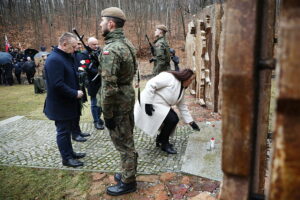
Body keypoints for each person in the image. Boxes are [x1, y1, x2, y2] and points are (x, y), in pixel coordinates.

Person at [98, 7, 138, 196]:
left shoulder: (111, 49)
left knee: (124, 143)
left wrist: (107, 114)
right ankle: (127, 172)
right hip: (127, 97)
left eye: (102, 21)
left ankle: (129, 181)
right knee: (127, 138)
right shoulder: (127, 43)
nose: (100, 24)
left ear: (111, 24)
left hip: (118, 102)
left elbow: (108, 87)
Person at [44, 32, 86, 168]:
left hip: (67, 103)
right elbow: (57, 84)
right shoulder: (54, 59)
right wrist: (74, 93)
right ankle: (66, 158)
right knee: (63, 131)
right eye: (73, 47)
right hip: (60, 104)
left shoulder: (65, 57)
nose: (75, 50)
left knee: (67, 130)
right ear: (64, 44)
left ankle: (70, 153)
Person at [134, 69, 200, 154]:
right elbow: (151, 84)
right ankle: (164, 143)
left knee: (174, 119)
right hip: (149, 101)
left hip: (160, 105)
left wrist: (191, 122)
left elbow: (182, 106)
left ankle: (161, 139)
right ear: (186, 78)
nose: (191, 82)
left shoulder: (181, 89)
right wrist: (148, 103)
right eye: (191, 80)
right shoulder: (169, 77)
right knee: (172, 119)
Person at [80, 37, 104, 130]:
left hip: (101, 80)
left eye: (97, 44)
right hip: (92, 81)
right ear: (88, 44)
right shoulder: (84, 54)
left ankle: (98, 117)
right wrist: (99, 71)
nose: (96, 46)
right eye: (94, 44)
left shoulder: (99, 51)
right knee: (94, 102)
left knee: (102, 102)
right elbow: (86, 67)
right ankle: (96, 121)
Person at [71, 41, 90, 142]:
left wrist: (82, 69)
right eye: (77, 44)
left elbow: (86, 62)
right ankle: (74, 133)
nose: (79, 46)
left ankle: (78, 131)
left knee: (78, 110)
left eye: (80, 44)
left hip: (80, 85)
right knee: (73, 110)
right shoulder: (69, 55)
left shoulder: (80, 55)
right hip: (73, 87)